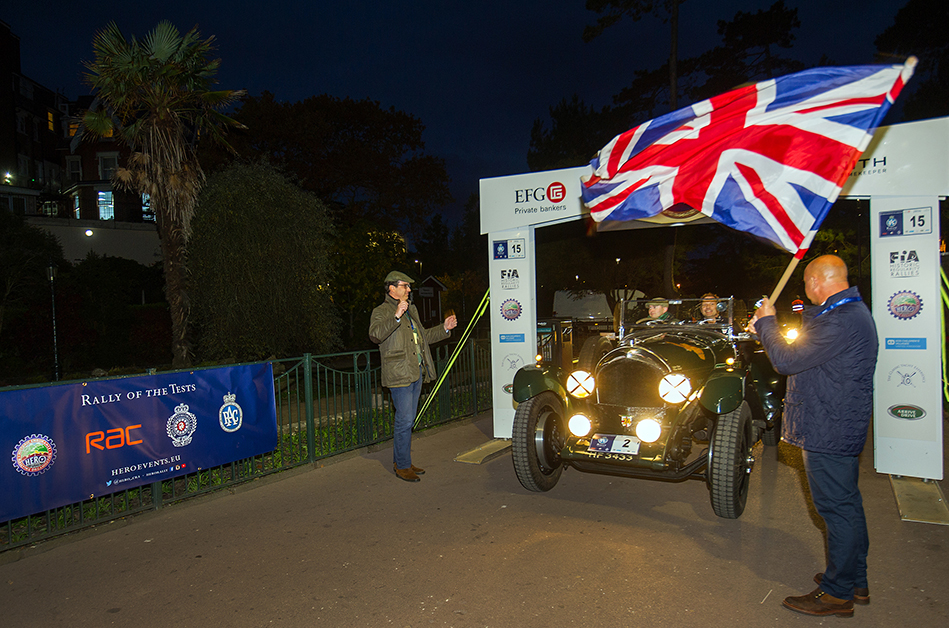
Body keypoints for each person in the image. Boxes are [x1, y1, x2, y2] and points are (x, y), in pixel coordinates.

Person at [748, 255, 877, 618]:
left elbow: (787, 361)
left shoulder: (842, 319)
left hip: (829, 426)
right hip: (835, 422)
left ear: (815, 281)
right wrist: (767, 329)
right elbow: (805, 353)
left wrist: (767, 322)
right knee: (847, 505)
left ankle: (837, 593)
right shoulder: (846, 314)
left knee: (837, 510)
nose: (806, 289)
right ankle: (854, 579)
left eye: (806, 283)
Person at [369, 271, 457, 482]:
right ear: (392, 288)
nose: (409, 289)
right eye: (405, 286)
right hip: (398, 373)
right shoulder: (382, 311)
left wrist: (444, 328)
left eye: (409, 286)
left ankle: (403, 461)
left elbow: (423, 337)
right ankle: (402, 466)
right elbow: (375, 335)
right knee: (405, 419)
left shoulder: (411, 309)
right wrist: (396, 316)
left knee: (407, 420)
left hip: (416, 371)